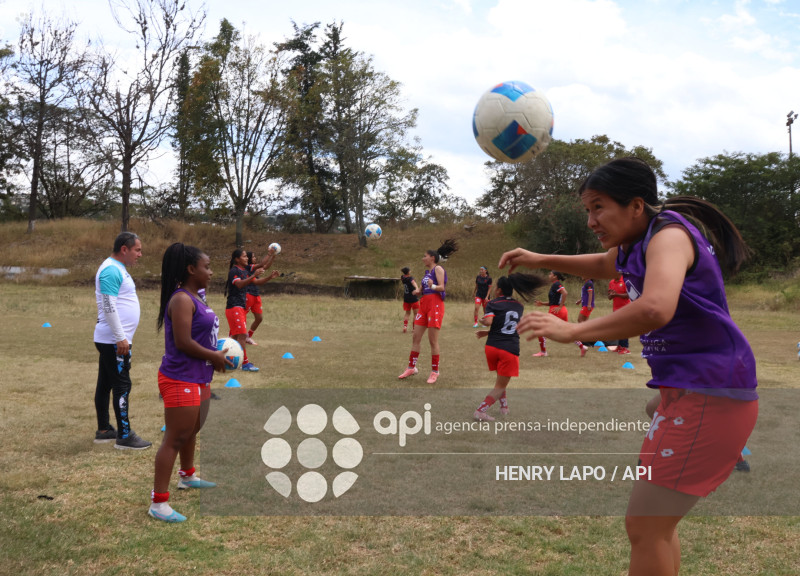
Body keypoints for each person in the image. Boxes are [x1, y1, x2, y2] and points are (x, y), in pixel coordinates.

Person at [499, 157, 757, 576]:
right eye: (588, 210)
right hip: (694, 391)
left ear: (635, 206)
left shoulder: (669, 237)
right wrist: (537, 257)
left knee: (645, 526)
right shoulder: (641, 242)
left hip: (713, 391)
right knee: (654, 526)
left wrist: (573, 331)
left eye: (598, 207)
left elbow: (655, 307)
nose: (591, 220)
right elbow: (605, 264)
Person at [149, 243, 230, 523]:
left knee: (193, 427)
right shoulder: (182, 299)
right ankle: (158, 503)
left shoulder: (197, 296)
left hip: (199, 375)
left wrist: (217, 353)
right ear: (191, 269)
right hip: (180, 376)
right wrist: (214, 356)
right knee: (175, 437)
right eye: (206, 267)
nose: (211, 271)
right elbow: (183, 342)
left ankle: (187, 476)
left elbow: (200, 334)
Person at [93, 231, 152, 450]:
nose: (140, 254)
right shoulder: (110, 269)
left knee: (106, 383)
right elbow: (108, 306)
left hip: (112, 339)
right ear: (124, 249)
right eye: (137, 250)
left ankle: (105, 430)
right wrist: (120, 337)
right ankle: (125, 436)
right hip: (114, 341)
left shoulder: (117, 269)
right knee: (122, 385)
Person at [473, 273, 545, 421]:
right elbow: (508, 326)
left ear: (498, 290)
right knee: (500, 385)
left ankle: (504, 407)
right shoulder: (519, 306)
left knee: (501, 380)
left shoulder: (492, 303)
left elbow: (490, 322)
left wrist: (484, 323)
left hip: (492, 347)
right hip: (509, 348)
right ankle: (480, 411)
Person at [398, 239, 458, 384]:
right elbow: (424, 289)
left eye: (425, 256)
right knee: (416, 337)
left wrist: (432, 286)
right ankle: (411, 367)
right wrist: (418, 291)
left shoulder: (438, 269)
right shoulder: (427, 273)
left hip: (435, 305)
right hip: (424, 304)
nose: (423, 258)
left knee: (432, 340)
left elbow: (442, 287)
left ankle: (435, 371)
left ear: (432, 257)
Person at [224, 247, 276, 372]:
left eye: (247, 256)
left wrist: (270, 277)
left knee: (235, 337)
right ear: (237, 259)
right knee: (241, 335)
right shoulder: (234, 271)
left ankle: (223, 358)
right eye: (244, 256)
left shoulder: (245, 271)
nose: (247, 258)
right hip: (234, 306)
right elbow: (239, 284)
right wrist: (254, 275)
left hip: (240, 307)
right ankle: (244, 363)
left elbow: (258, 282)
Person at [244, 251, 280, 346]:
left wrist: (273, 257)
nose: (255, 258)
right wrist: (270, 277)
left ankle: (248, 337)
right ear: (248, 258)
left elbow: (265, 266)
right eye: (253, 257)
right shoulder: (247, 269)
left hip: (256, 295)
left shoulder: (255, 267)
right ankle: (233, 336)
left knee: (259, 318)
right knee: (241, 318)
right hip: (248, 295)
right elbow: (257, 282)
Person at [608, 274, 632, 354]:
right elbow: (609, 297)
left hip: (625, 308)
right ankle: (619, 346)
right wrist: (611, 295)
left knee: (624, 328)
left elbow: (628, 295)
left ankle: (625, 348)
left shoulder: (625, 281)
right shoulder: (611, 282)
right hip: (616, 309)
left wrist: (616, 294)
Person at [575, 277, 595, 356]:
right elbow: (585, 294)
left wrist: (589, 304)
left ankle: (585, 339)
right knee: (585, 323)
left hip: (587, 306)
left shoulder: (589, 283)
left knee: (580, 320)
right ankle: (588, 340)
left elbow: (590, 294)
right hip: (585, 304)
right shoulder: (587, 283)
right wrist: (580, 301)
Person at [400, 267, 420, 333]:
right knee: (416, 314)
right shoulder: (410, 278)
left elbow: (405, 277)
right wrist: (417, 288)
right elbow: (414, 283)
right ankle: (414, 328)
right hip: (413, 297)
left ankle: (405, 326)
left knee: (407, 313)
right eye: (410, 270)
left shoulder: (402, 277)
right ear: (408, 272)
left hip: (406, 298)